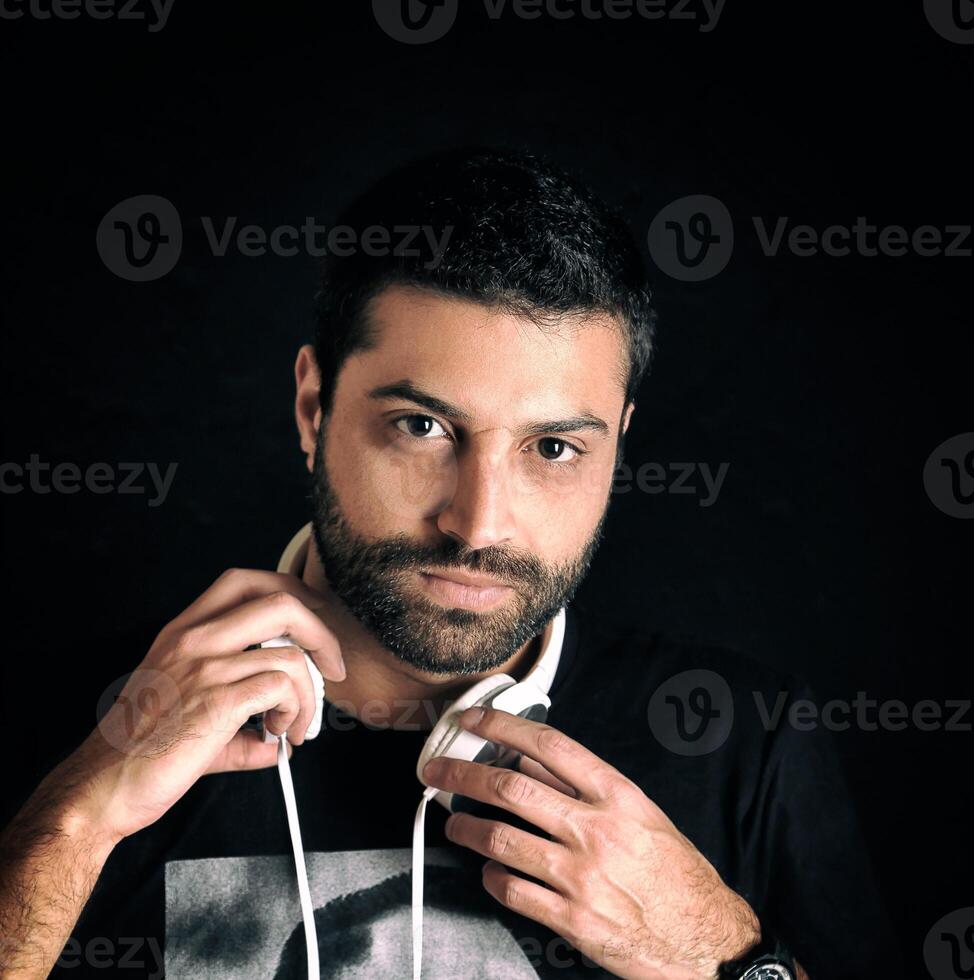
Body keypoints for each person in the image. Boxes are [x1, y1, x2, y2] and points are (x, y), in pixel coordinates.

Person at [0, 148, 899, 979]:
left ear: (619, 447)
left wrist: (721, 955)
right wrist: (72, 825)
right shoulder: (75, 729)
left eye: (552, 447)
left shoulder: (748, 741)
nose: (478, 524)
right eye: (422, 427)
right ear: (314, 407)